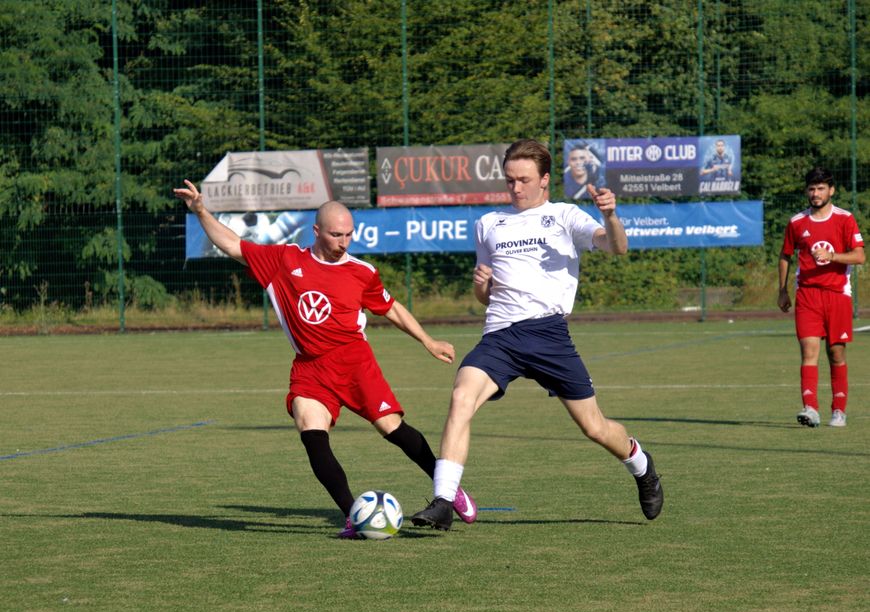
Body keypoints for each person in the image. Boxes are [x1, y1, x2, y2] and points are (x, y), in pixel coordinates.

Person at [173, 180, 478, 537]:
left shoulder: (361, 272)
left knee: (392, 429)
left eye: (349, 235)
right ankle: (354, 515)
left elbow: (390, 308)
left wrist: (427, 340)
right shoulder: (284, 260)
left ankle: (448, 487)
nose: (343, 242)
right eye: (335, 235)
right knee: (311, 432)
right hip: (310, 367)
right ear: (316, 231)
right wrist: (200, 210)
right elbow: (231, 244)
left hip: (354, 362)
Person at [410, 139, 663, 531]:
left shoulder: (564, 216)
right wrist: (481, 284)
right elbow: (483, 296)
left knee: (594, 427)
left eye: (523, 180)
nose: (515, 188)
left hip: (549, 335)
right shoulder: (489, 223)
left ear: (544, 179)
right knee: (461, 396)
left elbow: (617, 247)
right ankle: (444, 501)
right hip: (500, 335)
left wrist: (611, 216)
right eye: (509, 180)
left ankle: (641, 465)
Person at [777, 167, 865, 428]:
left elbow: (860, 256)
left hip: (837, 295)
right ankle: (810, 408)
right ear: (807, 191)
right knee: (809, 350)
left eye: (821, 188)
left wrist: (834, 256)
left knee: (836, 353)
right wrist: (782, 290)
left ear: (831, 190)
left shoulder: (845, 219)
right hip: (807, 295)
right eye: (812, 189)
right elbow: (785, 256)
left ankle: (838, 410)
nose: (815, 194)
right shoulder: (796, 222)